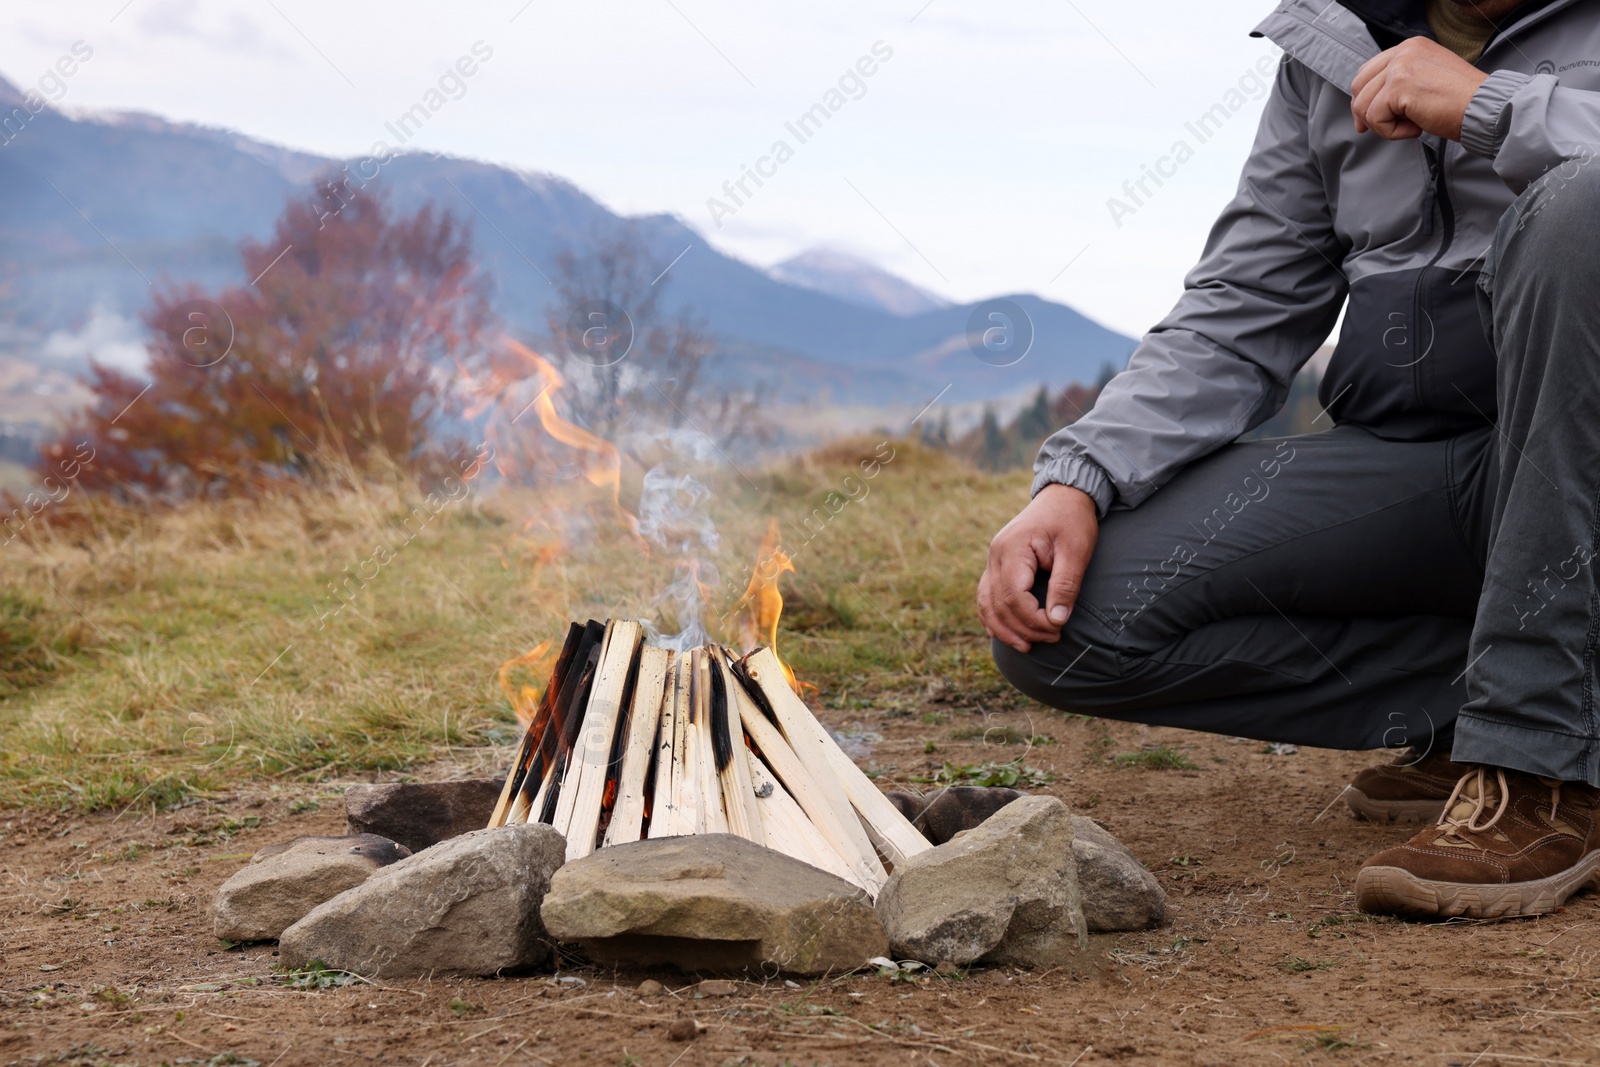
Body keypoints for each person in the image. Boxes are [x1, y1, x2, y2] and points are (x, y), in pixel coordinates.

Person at [979, 0, 1600, 920]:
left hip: (1582, 470)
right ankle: (1500, 705)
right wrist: (1082, 473)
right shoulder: (1331, 44)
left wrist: (1489, 106)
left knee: (1583, 205)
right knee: (1072, 621)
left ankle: (1541, 763)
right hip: (1430, 470)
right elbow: (1241, 303)